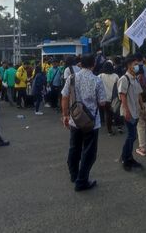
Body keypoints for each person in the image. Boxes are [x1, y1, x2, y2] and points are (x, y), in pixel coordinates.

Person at [61, 54, 106, 192]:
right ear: (93, 65)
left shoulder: (72, 77)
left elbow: (64, 96)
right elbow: (102, 102)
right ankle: (82, 181)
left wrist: (65, 115)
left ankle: (74, 175)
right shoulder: (97, 80)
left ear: (81, 64)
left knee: (74, 148)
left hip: (75, 119)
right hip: (91, 123)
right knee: (89, 152)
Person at [118, 55, 144, 171]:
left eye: (137, 64)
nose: (137, 66)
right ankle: (125, 158)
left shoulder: (135, 78)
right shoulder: (124, 79)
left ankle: (129, 157)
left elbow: (139, 94)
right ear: (129, 65)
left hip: (136, 111)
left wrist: (142, 105)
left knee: (132, 136)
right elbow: (122, 96)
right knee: (131, 135)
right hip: (129, 112)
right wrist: (126, 111)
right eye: (135, 64)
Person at [98, 61, 119, 135]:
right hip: (113, 98)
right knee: (113, 112)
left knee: (107, 114)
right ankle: (116, 127)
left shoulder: (100, 76)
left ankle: (109, 130)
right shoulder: (116, 76)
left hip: (103, 98)